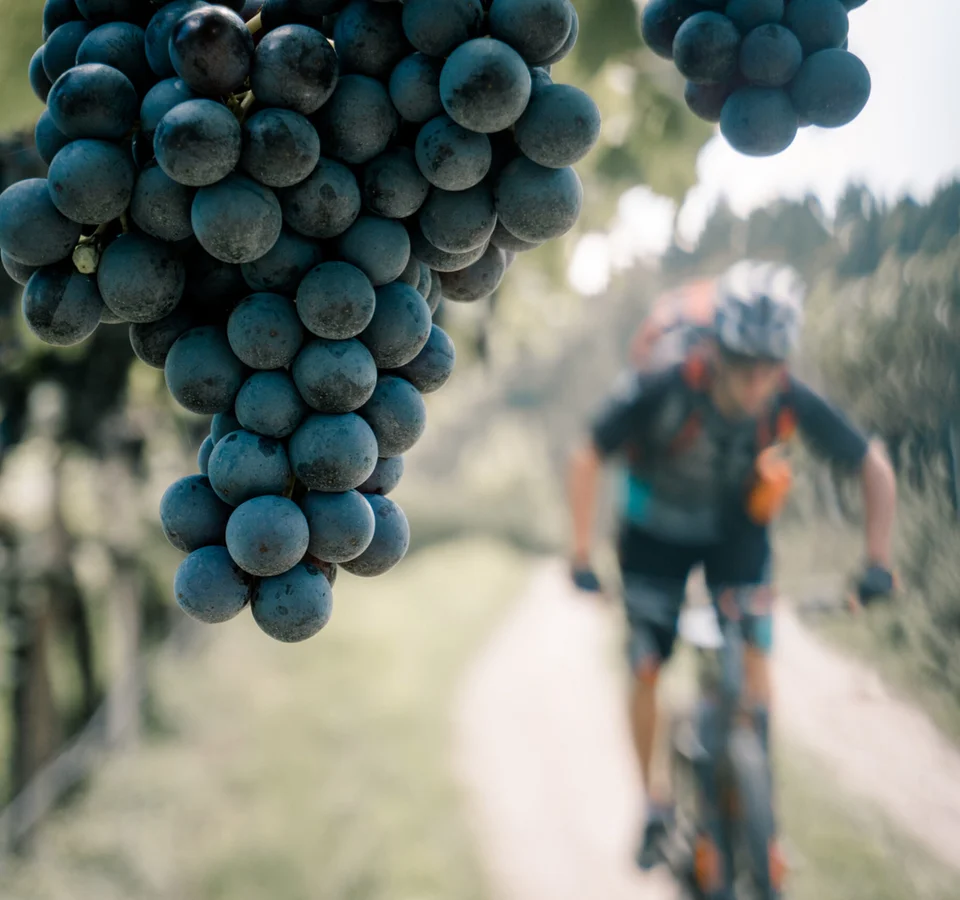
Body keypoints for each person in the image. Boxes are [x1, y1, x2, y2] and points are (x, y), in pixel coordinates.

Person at [566, 261, 897, 878]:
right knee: (646, 666)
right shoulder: (665, 382)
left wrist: (877, 563)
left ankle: (762, 818)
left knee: (752, 661)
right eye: (744, 362)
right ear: (717, 348)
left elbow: (873, 468)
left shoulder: (788, 396)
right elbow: (587, 454)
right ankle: (656, 805)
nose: (756, 382)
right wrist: (581, 559)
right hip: (654, 527)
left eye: (770, 366)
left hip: (733, 531)